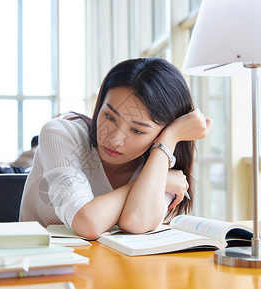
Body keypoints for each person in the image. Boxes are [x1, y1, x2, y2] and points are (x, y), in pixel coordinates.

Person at [20, 58, 212, 239]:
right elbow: (87, 222)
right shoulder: (61, 134)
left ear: (160, 133)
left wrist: (170, 139)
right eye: (110, 117)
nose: (114, 139)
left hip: (114, 268)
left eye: (137, 130)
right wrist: (147, 184)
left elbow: (136, 222)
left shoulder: (161, 160)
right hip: (38, 265)